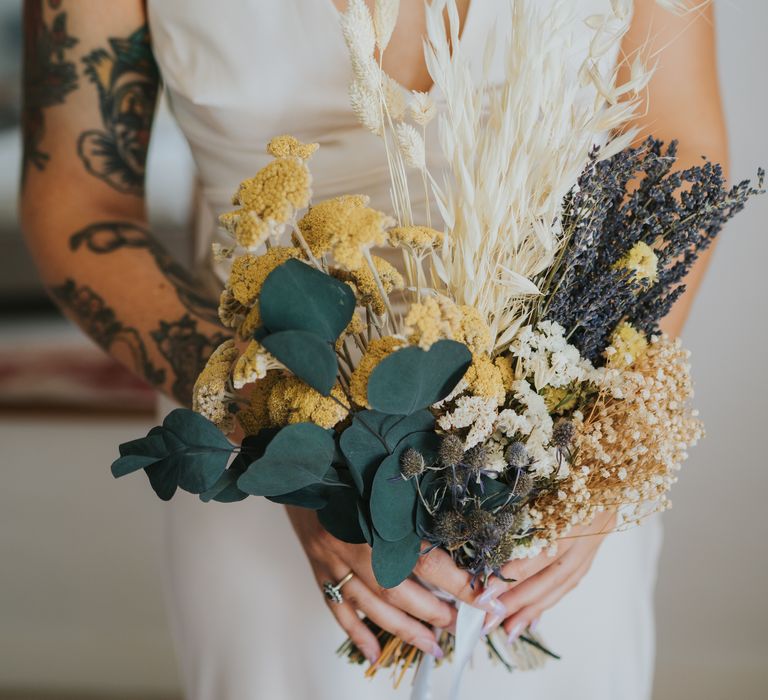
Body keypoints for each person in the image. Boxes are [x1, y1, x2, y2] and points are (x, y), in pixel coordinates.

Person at [20, 1, 727, 698]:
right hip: (263, 463)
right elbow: (80, 203)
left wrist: (594, 429)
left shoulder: (581, 446)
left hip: (561, 459)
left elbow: (676, 137)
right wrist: (289, 450)